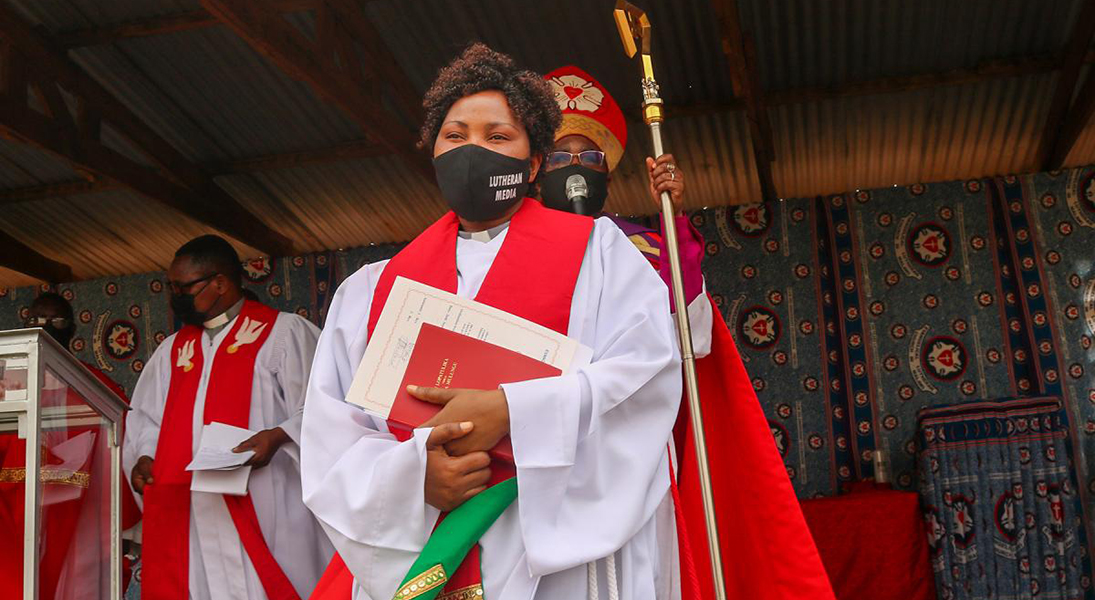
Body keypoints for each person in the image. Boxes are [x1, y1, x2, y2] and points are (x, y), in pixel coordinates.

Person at [301, 43, 683, 600]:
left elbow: (645, 374)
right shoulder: (372, 289)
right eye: (454, 136)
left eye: (498, 136)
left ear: (534, 164)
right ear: (434, 151)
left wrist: (513, 411)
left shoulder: (600, 254)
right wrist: (413, 478)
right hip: (429, 536)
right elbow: (331, 433)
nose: (472, 151)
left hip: (554, 548)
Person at [539, 66, 834, 599]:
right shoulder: (515, 249)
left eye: (590, 157)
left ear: (608, 174)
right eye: (561, 157)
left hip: (633, 445)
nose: (576, 168)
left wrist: (672, 223)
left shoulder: (644, 246)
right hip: (548, 444)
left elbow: (690, 337)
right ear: (537, 173)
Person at [123, 235, 333, 600]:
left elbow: (324, 406)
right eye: (172, 287)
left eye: (183, 287)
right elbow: (147, 420)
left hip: (267, 499)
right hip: (190, 511)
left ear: (220, 283)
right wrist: (145, 455)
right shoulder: (172, 351)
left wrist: (279, 436)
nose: (175, 296)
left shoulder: (283, 333)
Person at [0, 292, 142, 599]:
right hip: (14, 510)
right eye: (36, 320)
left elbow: (122, 449)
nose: (45, 327)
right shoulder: (7, 382)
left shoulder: (97, 387)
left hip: (79, 515)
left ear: (73, 331)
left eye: (57, 320)